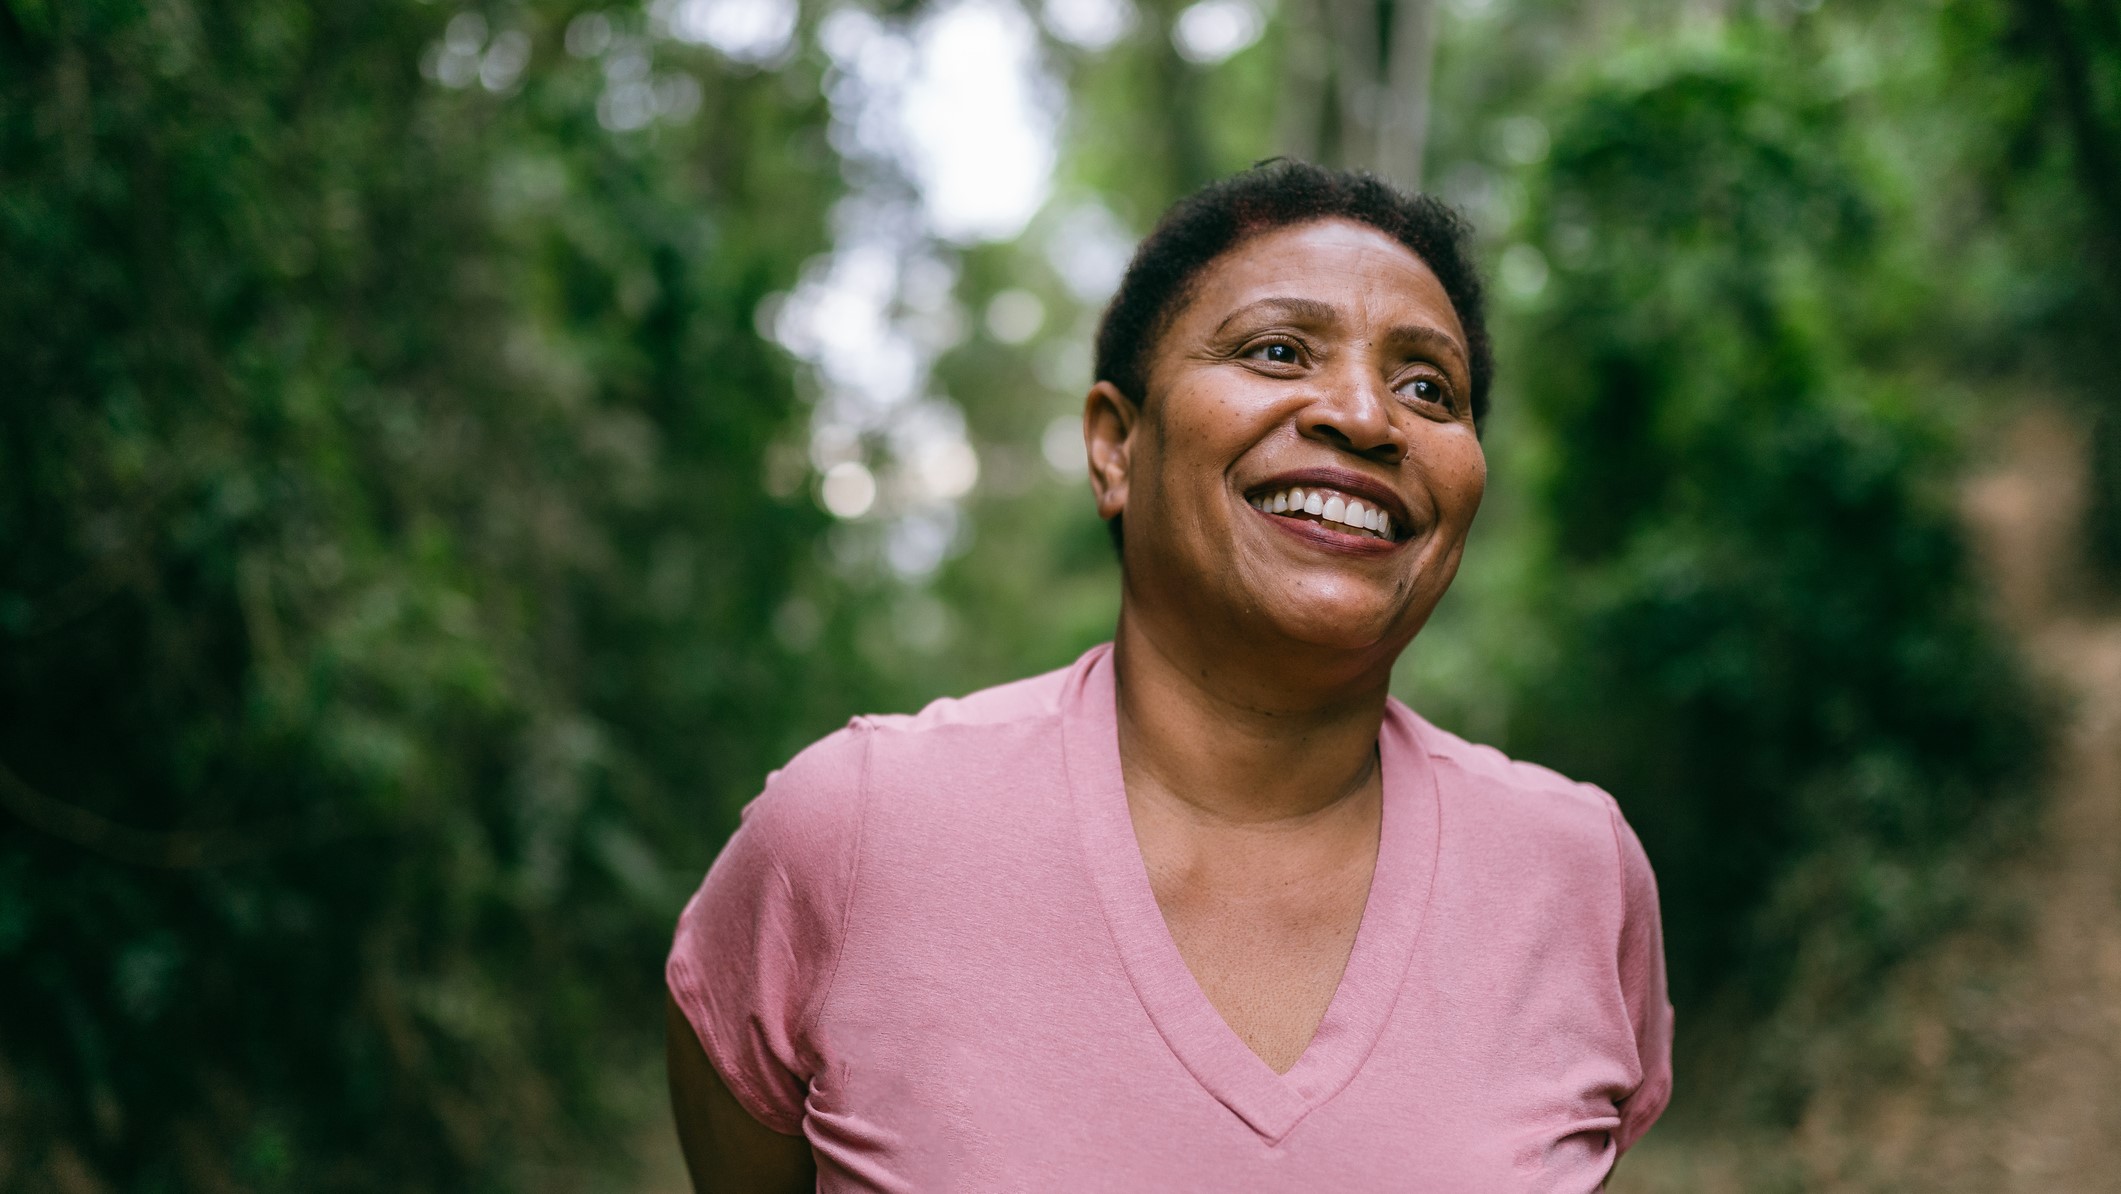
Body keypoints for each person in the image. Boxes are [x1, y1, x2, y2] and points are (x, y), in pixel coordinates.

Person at [665, 161, 1673, 1192]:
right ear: (1116, 447)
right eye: (1277, 351)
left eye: (1428, 389)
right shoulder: (853, 832)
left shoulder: (1576, 875)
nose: (1367, 417)